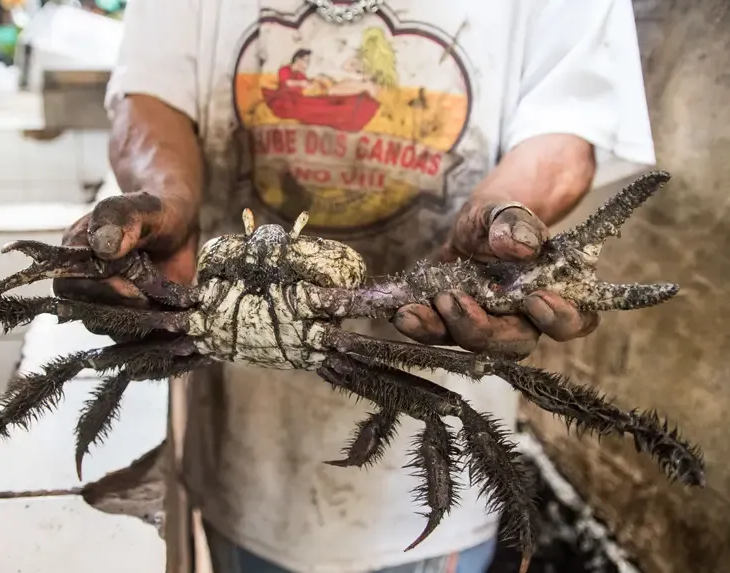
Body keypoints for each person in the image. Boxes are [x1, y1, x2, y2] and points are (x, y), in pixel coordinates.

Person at [55, 1, 656, 572]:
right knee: (93, 355)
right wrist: (166, 201)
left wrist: (503, 217)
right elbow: (149, 96)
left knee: (449, 408)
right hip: (241, 456)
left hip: (411, 486)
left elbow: (567, 123)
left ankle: (628, 448)